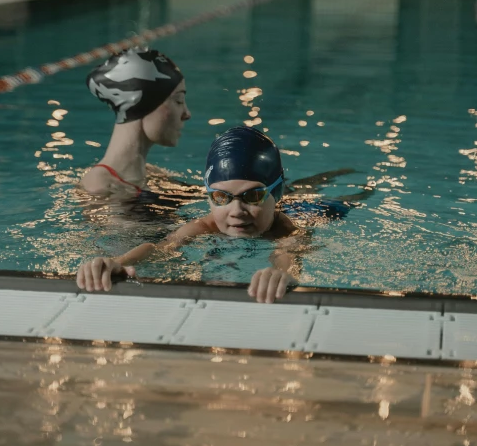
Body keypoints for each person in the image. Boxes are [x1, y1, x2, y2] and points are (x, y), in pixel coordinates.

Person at [76, 126, 365, 303]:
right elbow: (161, 248)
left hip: (306, 210)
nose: (236, 211)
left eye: (251, 196)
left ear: (276, 193)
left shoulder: (286, 230)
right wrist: (117, 262)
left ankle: (336, 179)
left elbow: (289, 253)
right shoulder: (207, 224)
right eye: (221, 197)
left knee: (347, 201)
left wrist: (282, 275)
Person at [79, 47, 191, 197]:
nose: (187, 114)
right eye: (179, 100)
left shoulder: (152, 175)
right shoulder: (101, 186)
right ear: (141, 104)